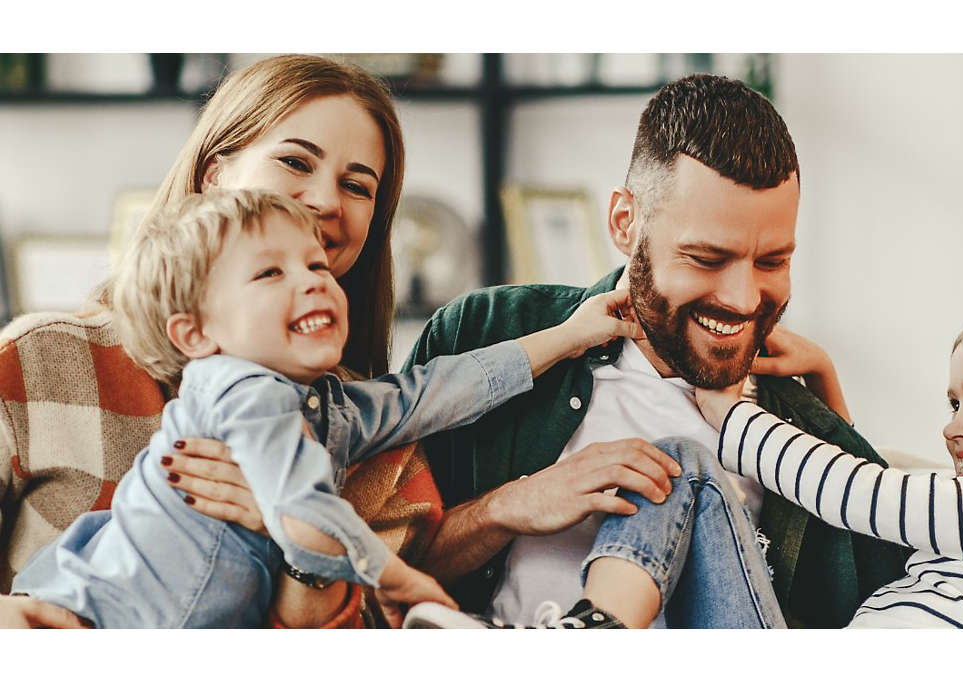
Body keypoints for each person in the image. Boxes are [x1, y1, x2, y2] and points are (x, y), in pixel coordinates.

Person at [402, 73, 911, 629]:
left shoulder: (806, 434)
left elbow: (894, 607)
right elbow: (373, 572)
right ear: (626, 223)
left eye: (772, 262)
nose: (742, 299)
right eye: (706, 258)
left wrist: (830, 413)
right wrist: (507, 508)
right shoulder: (486, 334)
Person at [9, 189, 640, 628]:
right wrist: (403, 581)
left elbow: (435, 391)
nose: (312, 279)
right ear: (196, 335)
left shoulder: (325, 405)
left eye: (314, 263)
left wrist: (571, 334)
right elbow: (304, 516)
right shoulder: (238, 389)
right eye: (269, 274)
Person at [0, 54, 422, 628]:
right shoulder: (37, 360)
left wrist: (293, 535)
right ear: (214, 175)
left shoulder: (377, 432)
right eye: (295, 161)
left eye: (356, 186)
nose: (326, 201)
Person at [689, 301, 963, 627]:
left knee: (686, 467)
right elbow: (871, 520)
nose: (951, 428)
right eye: (954, 404)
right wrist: (821, 373)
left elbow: (861, 494)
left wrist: (732, 417)